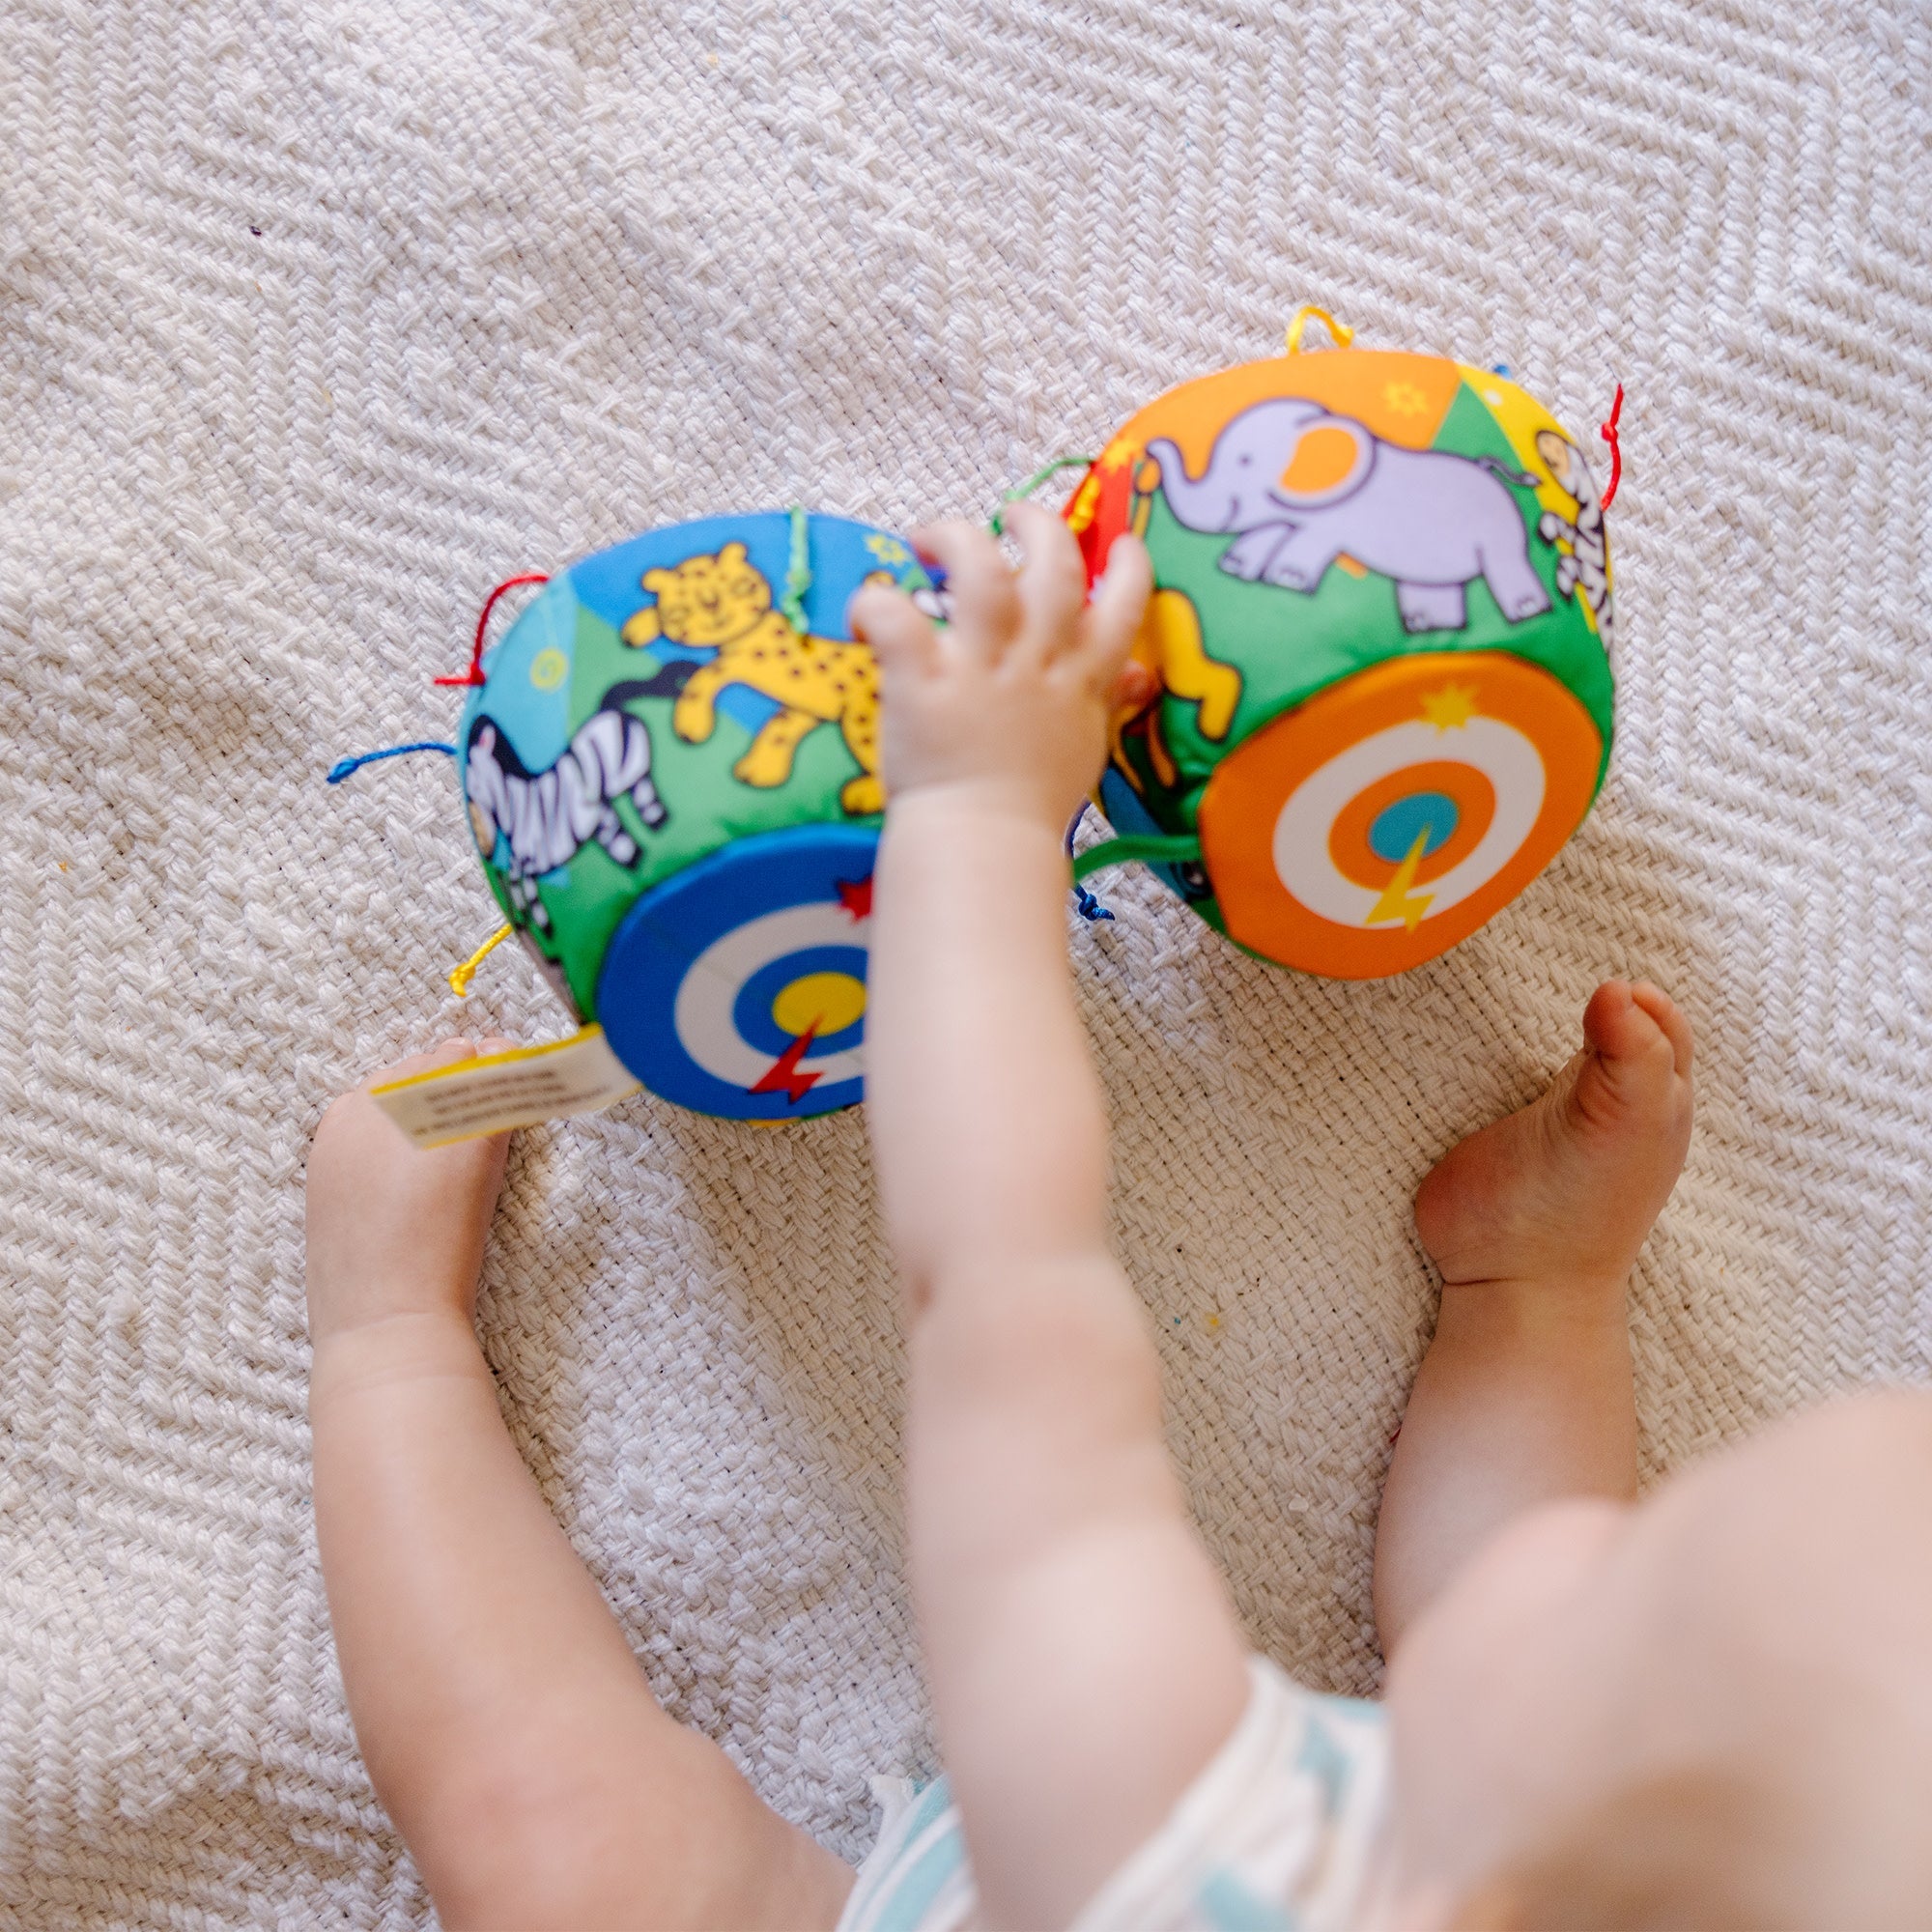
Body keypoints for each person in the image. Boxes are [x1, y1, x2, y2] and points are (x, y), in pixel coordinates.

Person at [306, 506, 1932, 1930]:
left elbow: (1004, 1292)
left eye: (1631, 1592)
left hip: (1058, 1865)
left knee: (558, 1864)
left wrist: (983, 821)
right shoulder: (1566, 1806)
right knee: (1506, 1599)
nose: (1599, 1540)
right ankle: (1532, 1288)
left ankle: (384, 1347)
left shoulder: (1161, 1826)